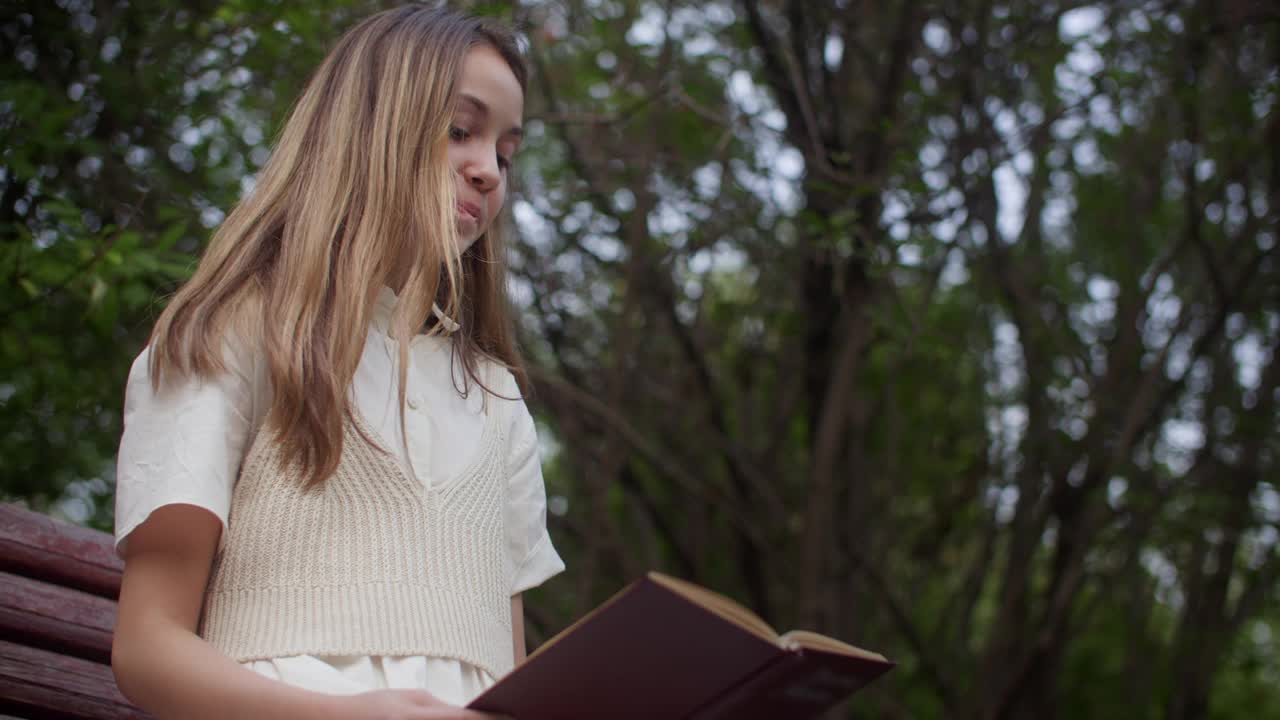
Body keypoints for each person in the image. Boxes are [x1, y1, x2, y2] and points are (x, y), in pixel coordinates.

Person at [109, 5, 564, 719]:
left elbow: (505, 683)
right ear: (368, 128)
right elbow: (146, 649)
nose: (488, 171)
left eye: (505, 153)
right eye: (458, 131)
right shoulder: (235, 333)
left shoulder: (497, 399)